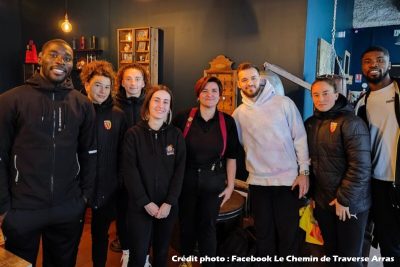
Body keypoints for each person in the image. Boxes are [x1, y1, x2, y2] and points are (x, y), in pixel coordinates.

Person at [0, 39, 96, 266]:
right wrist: (3, 206)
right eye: (54, 54)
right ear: (40, 57)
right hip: (22, 208)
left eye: (67, 58)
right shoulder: (10, 100)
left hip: (68, 207)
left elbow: (89, 153)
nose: (60, 61)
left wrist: (83, 198)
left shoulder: (82, 104)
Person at [232, 62, 310, 265]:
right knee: (264, 235)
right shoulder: (239, 114)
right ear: (239, 84)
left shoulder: (284, 103)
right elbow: (239, 145)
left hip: (287, 182)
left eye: (253, 78)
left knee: (288, 235)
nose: (249, 83)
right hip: (258, 184)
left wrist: (304, 172)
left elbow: (300, 139)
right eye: (244, 80)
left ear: (261, 79)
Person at [172, 76, 240, 267]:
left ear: (220, 96)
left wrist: (231, 185)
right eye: (205, 91)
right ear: (198, 95)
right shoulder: (183, 118)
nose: (209, 95)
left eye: (214, 91)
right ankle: (185, 262)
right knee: (186, 225)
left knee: (208, 227)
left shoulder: (227, 122)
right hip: (187, 180)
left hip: (214, 183)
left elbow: (232, 157)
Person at [305, 76, 371, 266]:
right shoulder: (311, 123)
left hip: (350, 204)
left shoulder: (352, 123)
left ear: (336, 95)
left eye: (325, 93)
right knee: (332, 254)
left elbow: (361, 166)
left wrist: (344, 199)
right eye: (315, 95)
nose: (321, 99)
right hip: (324, 202)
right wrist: (313, 196)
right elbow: (311, 163)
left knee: (350, 258)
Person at [122, 85, 186, 267]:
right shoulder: (133, 135)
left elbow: (179, 172)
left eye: (166, 102)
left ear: (170, 107)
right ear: (148, 104)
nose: (161, 105)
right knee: (138, 254)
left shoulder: (176, 136)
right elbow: (130, 171)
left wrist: (169, 202)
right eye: (156, 100)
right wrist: (145, 202)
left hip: (167, 207)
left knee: (162, 252)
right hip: (140, 206)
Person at [355, 46, 400, 266]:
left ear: (389, 64)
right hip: (378, 183)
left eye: (380, 60)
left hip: (397, 178)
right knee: (387, 242)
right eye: (367, 61)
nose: (374, 64)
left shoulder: (399, 91)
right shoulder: (361, 103)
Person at [80, 60, 127, 267]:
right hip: (77, 187)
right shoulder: (76, 110)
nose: (102, 91)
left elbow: (122, 153)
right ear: (87, 84)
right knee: (71, 236)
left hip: (107, 188)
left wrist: (118, 181)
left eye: (107, 87)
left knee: (100, 235)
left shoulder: (117, 115)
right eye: (98, 85)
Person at [112, 63, 150, 259]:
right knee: (123, 212)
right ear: (121, 82)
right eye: (128, 79)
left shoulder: (152, 104)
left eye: (137, 79)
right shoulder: (113, 106)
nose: (133, 83)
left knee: (145, 211)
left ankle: (143, 254)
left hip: (146, 171)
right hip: (120, 171)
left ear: (144, 82)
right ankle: (126, 252)